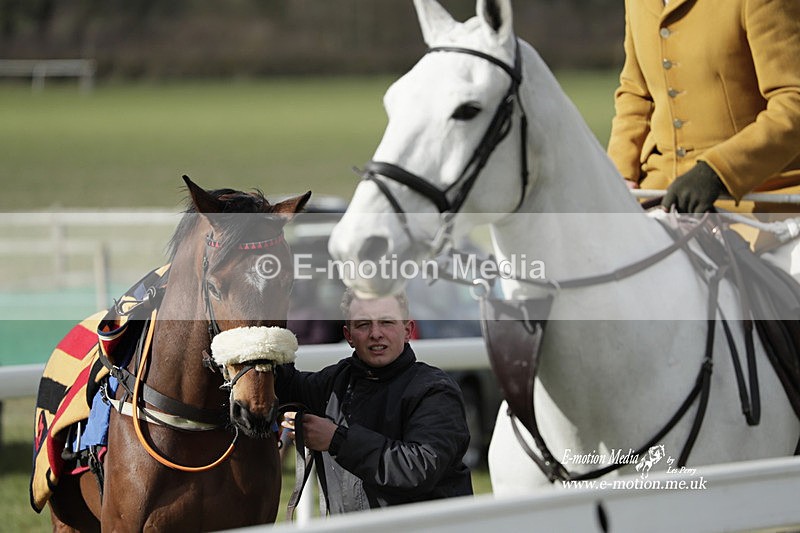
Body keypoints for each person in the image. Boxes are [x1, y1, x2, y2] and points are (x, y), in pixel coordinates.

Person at [607, 0, 800, 238]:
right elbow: (636, 93)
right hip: (657, 195)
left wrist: (717, 171)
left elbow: (793, 103)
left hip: (757, 204)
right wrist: (618, 174)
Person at [276, 288, 473, 514]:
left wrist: (336, 440)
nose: (376, 333)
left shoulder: (436, 390)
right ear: (348, 336)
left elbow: (419, 469)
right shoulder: (333, 383)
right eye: (362, 324)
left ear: (408, 330)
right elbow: (282, 385)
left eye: (386, 322)